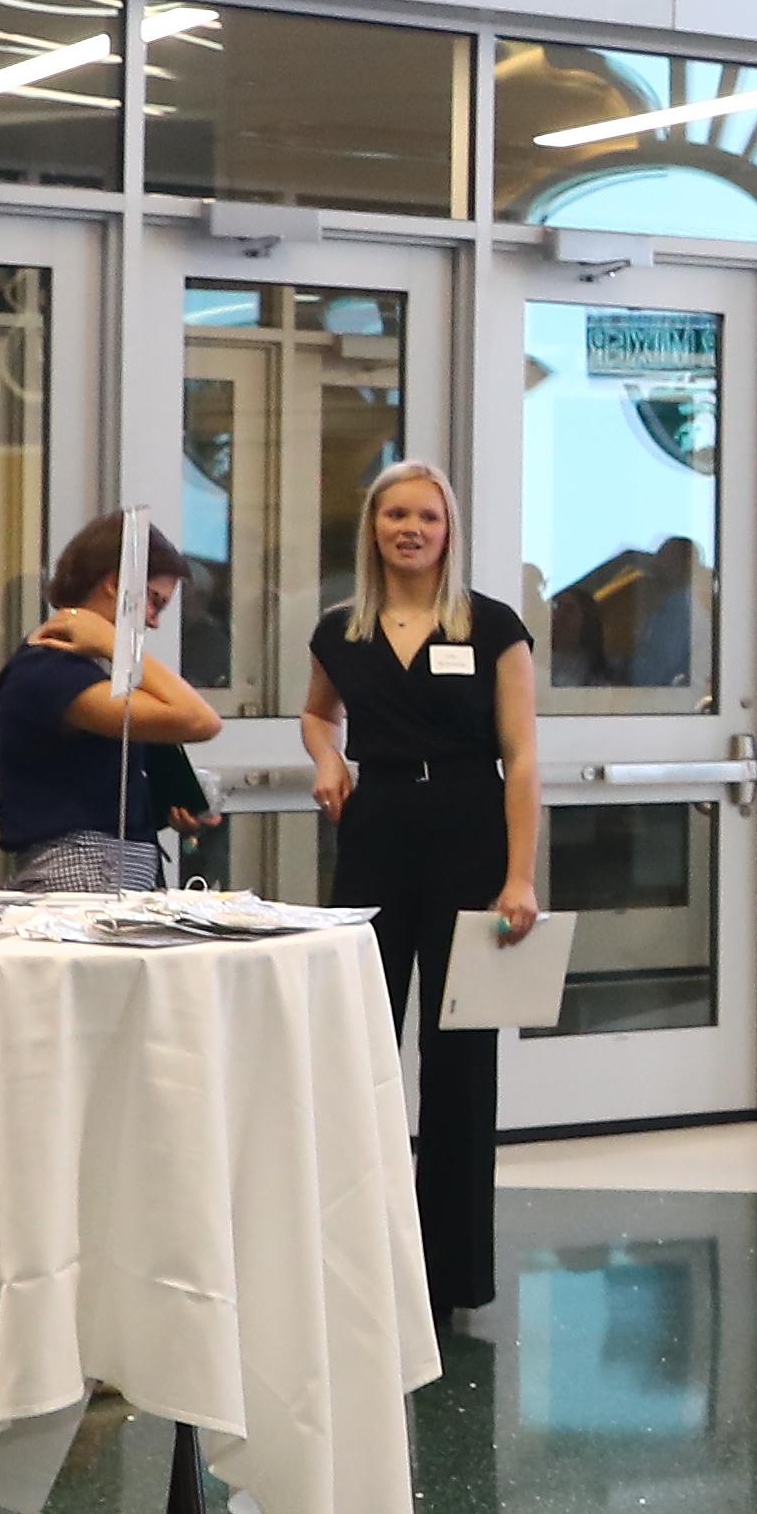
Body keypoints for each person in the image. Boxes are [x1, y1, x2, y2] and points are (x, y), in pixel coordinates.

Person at [304, 460, 542, 1333]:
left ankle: (448, 1278)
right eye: (396, 514)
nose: (411, 529)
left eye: (428, 517)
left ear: (449, 531)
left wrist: (519, 875)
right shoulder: (342, 630)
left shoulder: (492, 627)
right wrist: (328, 760)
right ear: (372, 527)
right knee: (360, 1044)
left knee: (459, 1063)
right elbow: (317, 714)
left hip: (471, 832)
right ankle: (359, 1258)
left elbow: (521, 757)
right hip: (378, 830)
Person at [0, 511, 222, 890]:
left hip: (114, 865)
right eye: (153, 602)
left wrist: (160, 804)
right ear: (115, 586)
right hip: (83, 874)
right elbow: (199, 720)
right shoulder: (51, 670)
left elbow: (88, 773)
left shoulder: (87, 668)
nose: (153, 621)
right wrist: (117, 644)